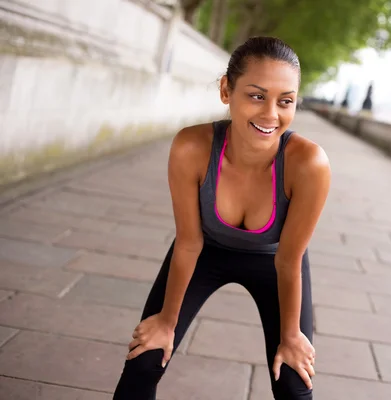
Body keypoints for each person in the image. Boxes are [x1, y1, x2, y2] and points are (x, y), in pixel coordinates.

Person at [112, 36, 331, 400]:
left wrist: (292, 337)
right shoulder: (192, 147)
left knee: (294, 382)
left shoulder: (308, 163)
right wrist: (166, 322)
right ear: (226, 90)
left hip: (276, 262)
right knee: (144, 360)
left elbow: (289, 260)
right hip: (203, 252)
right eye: (256, 96)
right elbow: (188, 242)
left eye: (285, 101)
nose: (270, 114)